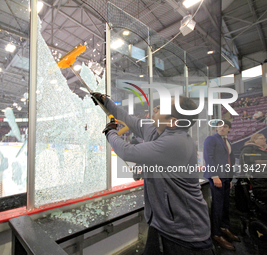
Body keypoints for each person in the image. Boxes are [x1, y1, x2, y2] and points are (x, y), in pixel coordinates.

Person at [92, 93, 213, 255]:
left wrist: (110, 133)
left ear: (172, 121)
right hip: (163, 225)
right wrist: (106, 101)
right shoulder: (157, 131)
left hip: (185, 236)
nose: (155, 108)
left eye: (162, 107)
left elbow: (128, 151)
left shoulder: (177, 142)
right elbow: (130, 121)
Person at [203, 120, 240, 251]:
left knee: (225, 204)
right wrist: (214, 176)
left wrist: (229, 179)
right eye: (219, 126)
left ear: (229, 128)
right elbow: (209, 158)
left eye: (224, 126)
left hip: (225, 177)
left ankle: (225, 227)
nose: (221, 128)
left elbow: (230, 160)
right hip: (217, 177)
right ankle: (216, 234)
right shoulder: (211, 139)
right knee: (218, 206)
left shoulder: (227, 141)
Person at [240, 134, 267, 202]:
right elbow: (249, 162)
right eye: (261, 138)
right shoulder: (249, 149)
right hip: (258, 178)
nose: (264, 140)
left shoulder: (264, 150)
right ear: (255, 140)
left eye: (264, 138)